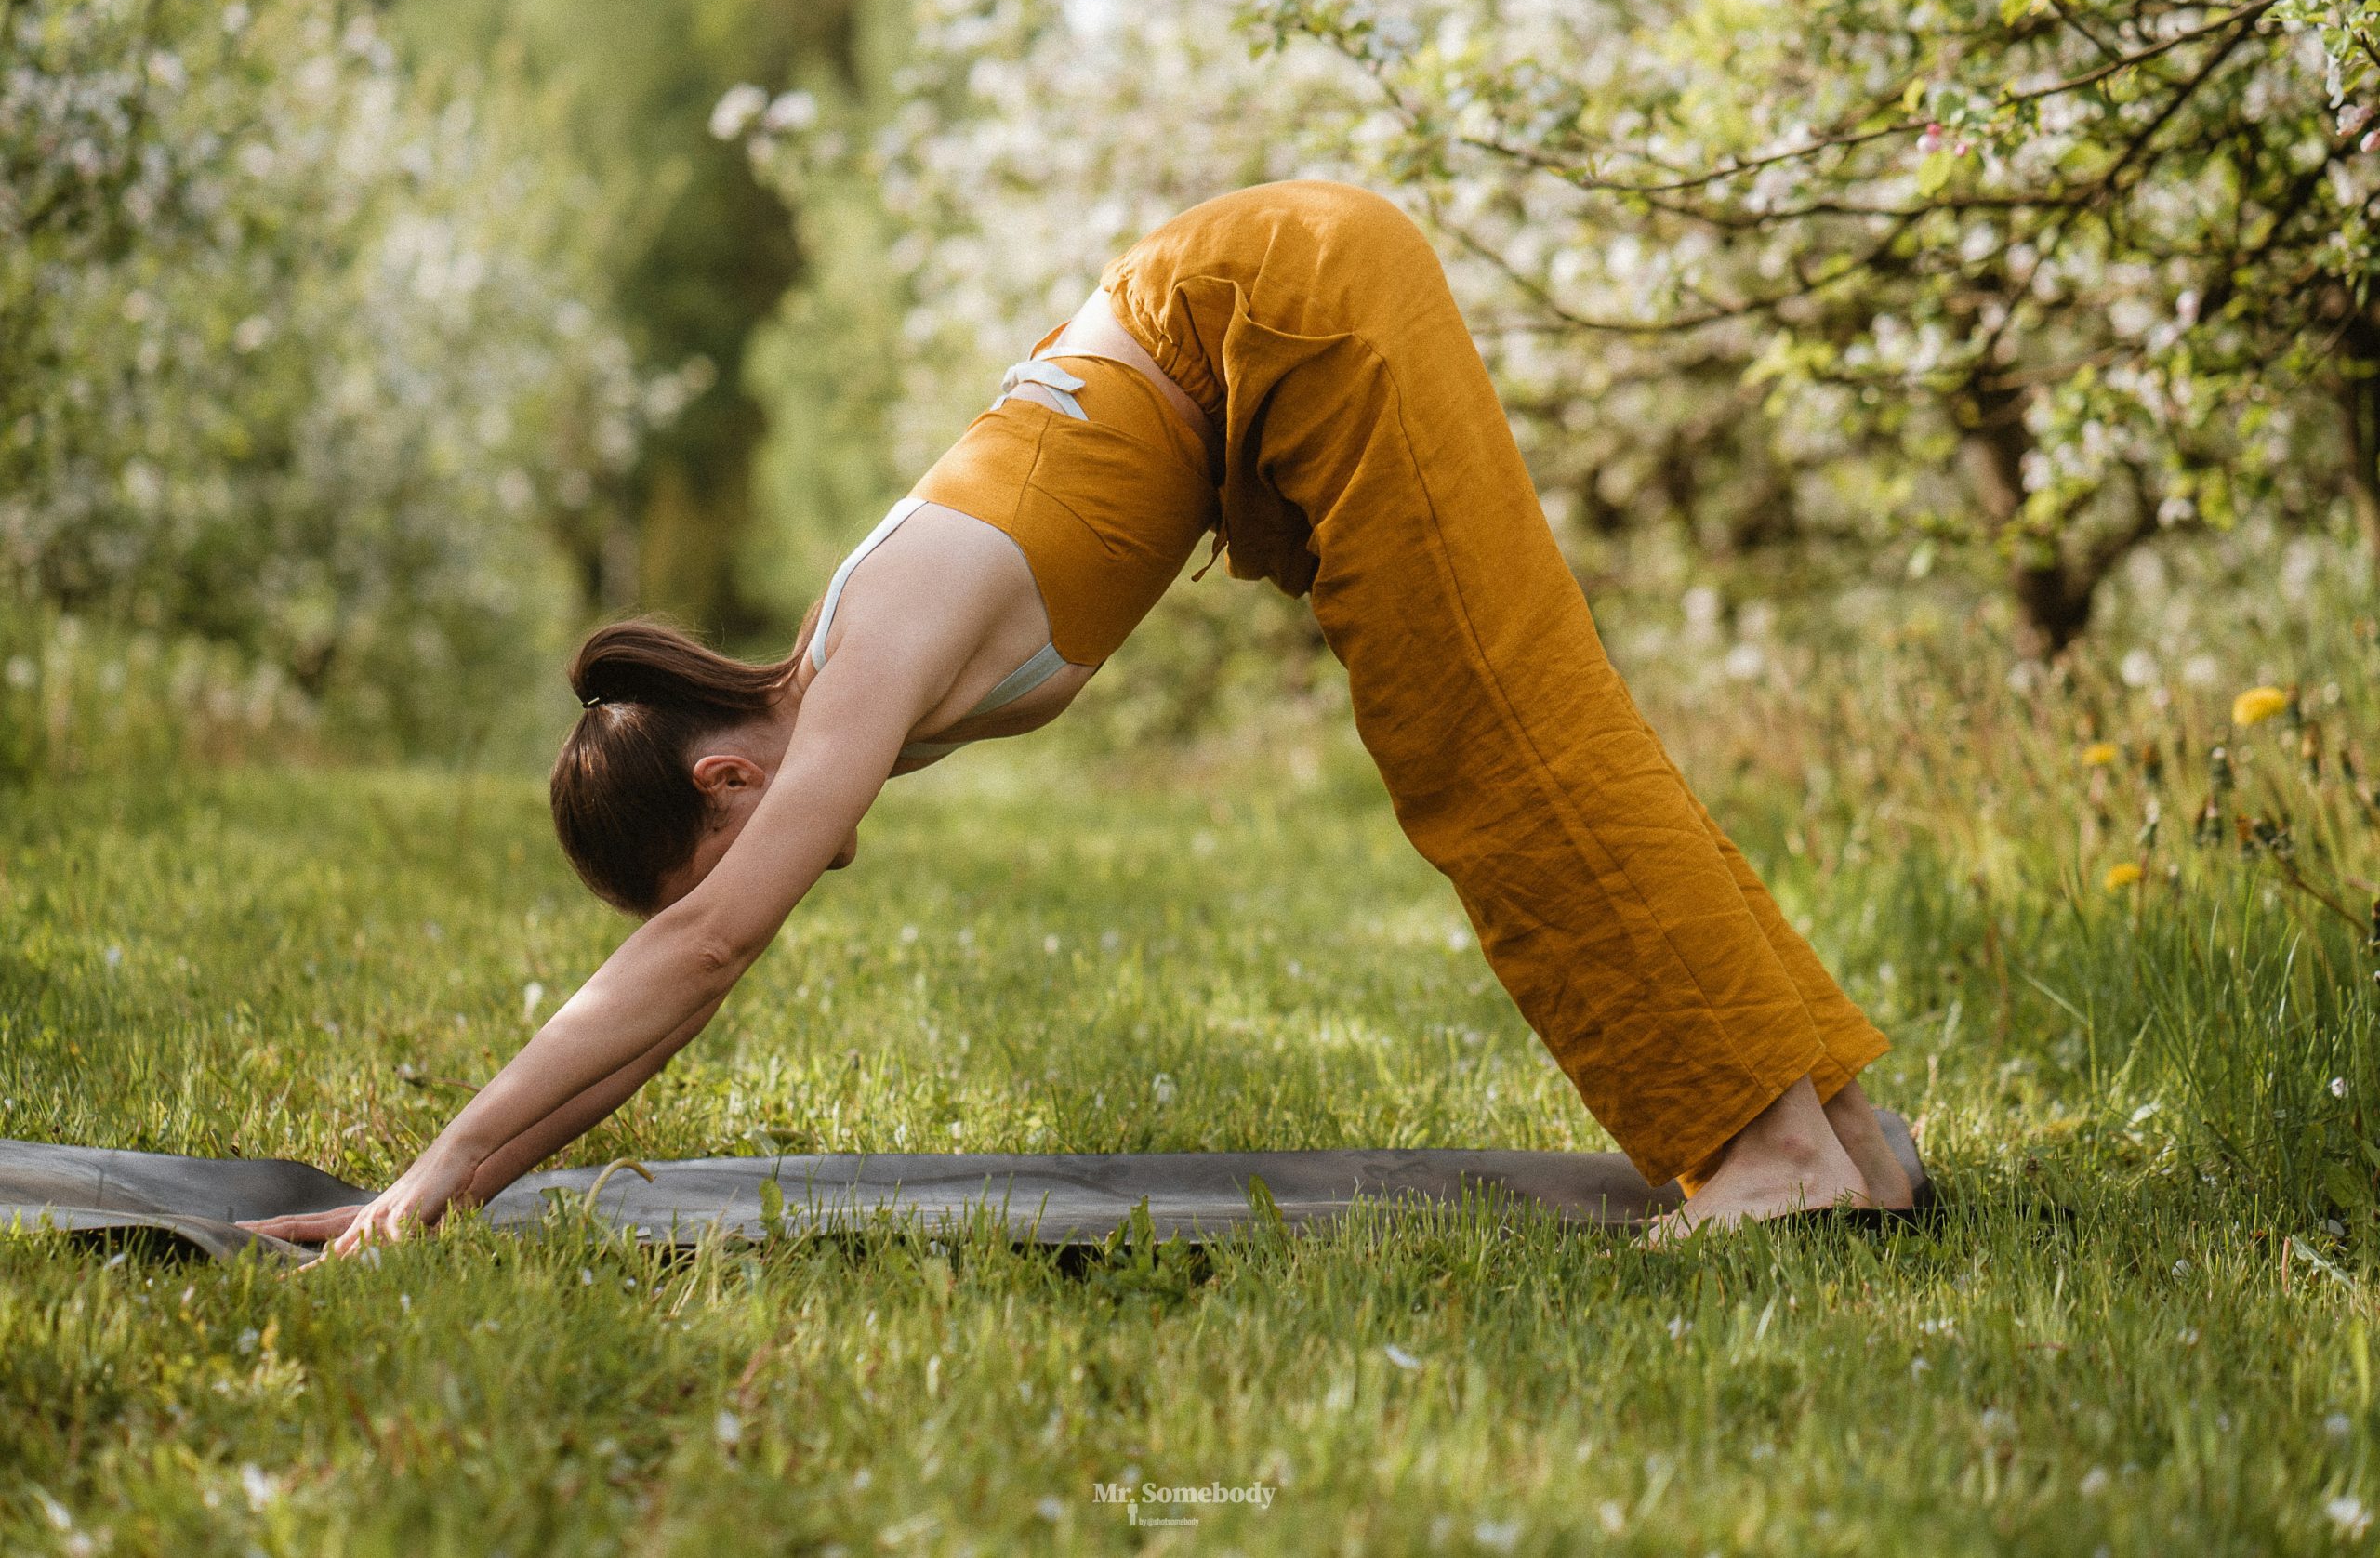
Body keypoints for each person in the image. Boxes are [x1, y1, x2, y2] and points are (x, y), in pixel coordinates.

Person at [243, 180, 1912, 1255]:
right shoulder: (837, 666)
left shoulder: (857, 673)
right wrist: (442, 1188)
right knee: (1517, 715)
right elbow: (697, 946)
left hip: (1292, 308)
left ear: (729, 774)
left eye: (721, 860)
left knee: (1497, 734)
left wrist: (431, 1182)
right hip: (1277, 319)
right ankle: (1826, 1127)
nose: (786, 879)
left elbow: (695, 963)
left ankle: (1765, 1149)